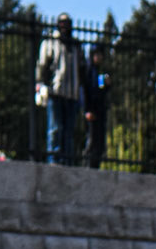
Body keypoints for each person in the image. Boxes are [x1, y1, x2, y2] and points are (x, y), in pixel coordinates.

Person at [36, 12, 85, 165]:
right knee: (55, 128)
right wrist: (41, 83)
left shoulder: (76, 45)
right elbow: (42, 65)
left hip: (72, 93)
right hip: (55, 91)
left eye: (67, 23)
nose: (65, 26)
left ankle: (67, 159)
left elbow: (82, 68)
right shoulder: (50, 42)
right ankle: (54, 158)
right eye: (62, 23)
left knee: (69, 131)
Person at [83, 40, 110, 168]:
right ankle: (87, 165)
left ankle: (95, 165)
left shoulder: (99, 71)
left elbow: (100, 90)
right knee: (91, 141)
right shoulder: (89, 70)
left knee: (100, 142)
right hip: (91, 110)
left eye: (100, 55)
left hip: (100, 111)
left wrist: (107, 85)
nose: (98, 57)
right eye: (96, 54)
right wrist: (87, 110)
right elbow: (86, 90)